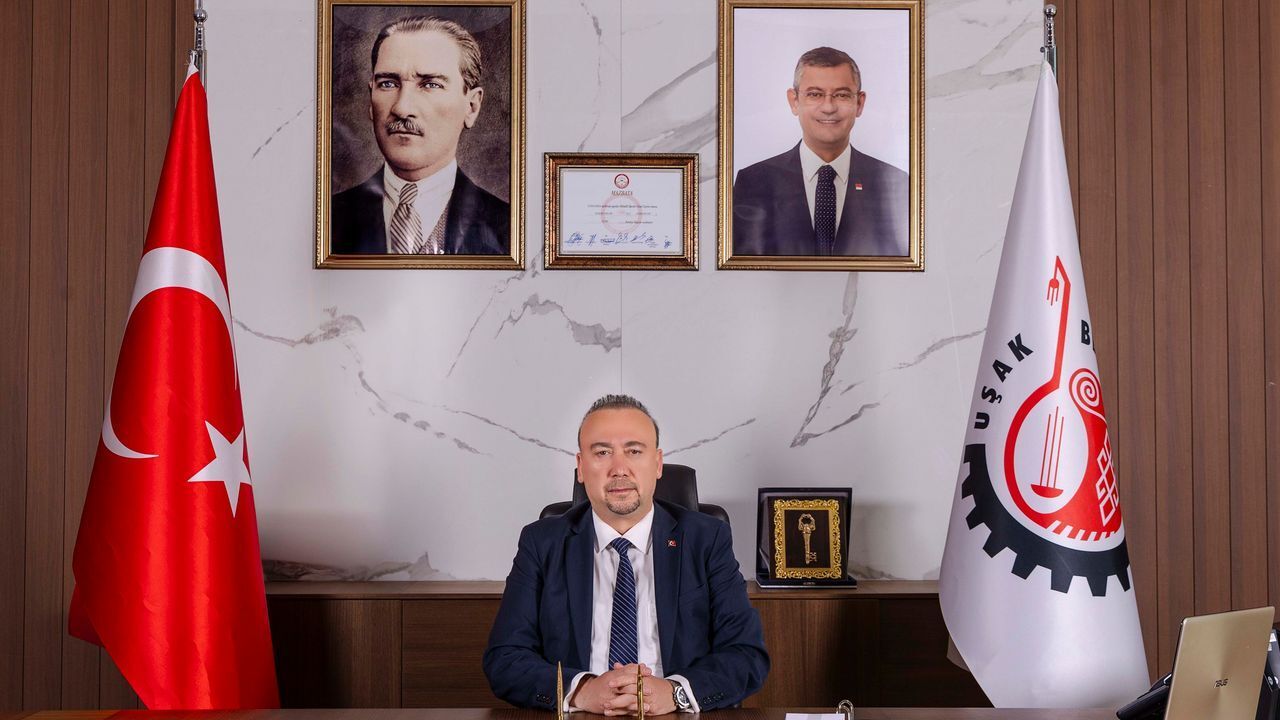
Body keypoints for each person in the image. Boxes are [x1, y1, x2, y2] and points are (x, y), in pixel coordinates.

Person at [483, 395, 769, 714]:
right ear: (581, 467)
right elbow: (505, 658)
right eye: (602, 452)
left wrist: (674, 693)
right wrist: (582, 691)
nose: (619, 469)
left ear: (657, 464)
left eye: (634, 451)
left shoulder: (706, 538)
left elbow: (747, 655)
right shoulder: (542, 542)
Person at [331, 16, 509, 255]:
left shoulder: (509, 230)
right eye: (388, 84)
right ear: (371, 101)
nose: (402, 108)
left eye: (430, 85)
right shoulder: (327, 221)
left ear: (472, 107)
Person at [732, 46, 909, 257]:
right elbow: (741, 270)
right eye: (815, 94)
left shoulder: (895, 184)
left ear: (859, 103)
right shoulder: (754, 183)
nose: (828, 107)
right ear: (794, 101)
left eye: (841, 95)